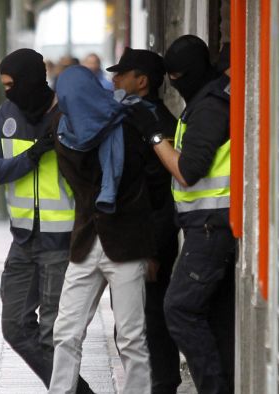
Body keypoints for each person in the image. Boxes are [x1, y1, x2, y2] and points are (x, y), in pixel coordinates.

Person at [0, 49, 92, 393]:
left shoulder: (67, 112)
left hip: (60, 241)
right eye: (4, 85)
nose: (8, 92)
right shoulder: (7, 112)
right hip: (23, 240)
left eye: (12, 84)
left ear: (32, 79)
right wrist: (30, 156)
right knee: (14, 326)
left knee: (53, 336)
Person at [131, 35, 234, 393]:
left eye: (177, 75)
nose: (173, 82)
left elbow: (187, 170)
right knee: (216, 318)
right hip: (208, 225)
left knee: (179, 309)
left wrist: (156, 137)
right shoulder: (211, 99)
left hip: (211, 227)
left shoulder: (209, 107)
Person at [50, 65, 155, 394]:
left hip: (126, 243)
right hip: (85, 243)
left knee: (131, 337)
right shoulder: (63, 131)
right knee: (66, 331)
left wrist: (152, 249)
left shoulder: (126, 124)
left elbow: (146, 185)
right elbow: (82, 188)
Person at [107, 47, 181, 393]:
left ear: (142, 81)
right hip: (134, 236)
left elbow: (162, 196)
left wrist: (152, 250)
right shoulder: (134, 116)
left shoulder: (156, 123)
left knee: (149, 319)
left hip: (150, 239)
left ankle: (163, 383)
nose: (114, 79)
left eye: (122, 74)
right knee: (134, 322)